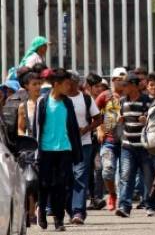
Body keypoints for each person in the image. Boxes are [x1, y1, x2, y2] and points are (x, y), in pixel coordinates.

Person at [35, 68, 83, 231]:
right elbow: (36, 128)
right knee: (44, 184)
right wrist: (35, 152)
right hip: (45, 150)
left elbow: (74, 128)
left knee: (61, 186)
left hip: (64, 150)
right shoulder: (42, 102)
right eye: (66, 84)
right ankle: (41, 210)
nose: (69, 87)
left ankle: (59, 220)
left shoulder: (68, 103)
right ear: (56, 84)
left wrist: (76, 151)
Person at [116, 73, 155, 217]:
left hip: (145, 146)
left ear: (133, 85)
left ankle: (150, 204)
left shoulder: (149, 101)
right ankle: (124, 207)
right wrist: (118, 120)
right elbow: (114, 120)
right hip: (127, 146)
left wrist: (147, 120)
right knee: (126, 176)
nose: (123, 88)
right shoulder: (122, 102)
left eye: (125, 85)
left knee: (148, 177)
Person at [67, 72, 102, 224]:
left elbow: (99, 118)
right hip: (63, 145)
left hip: (84, 144)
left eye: (69, 82)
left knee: (80, 176)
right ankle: (69, 208)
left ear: (76, 83)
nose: (66, 85)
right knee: (67, 177)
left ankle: (78, 212)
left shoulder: (86, 99)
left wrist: (86, 129)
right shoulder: (59, 99)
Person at [96, 67, 127, 211]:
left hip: (127, 140)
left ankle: (123, 202)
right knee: (107, 170)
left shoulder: (131, 95)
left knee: (125, 173)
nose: (122, 83)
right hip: (109, 139)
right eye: (119, 80)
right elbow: (94, 115)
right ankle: (112, 194)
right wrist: (99, 129)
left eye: (124, 80)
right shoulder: (105, 96)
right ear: (113, 80)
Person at [17, 72, 43, 226]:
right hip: (30, 149)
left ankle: (41, 209)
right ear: (26, 86)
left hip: (46, 147)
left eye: (39, 84)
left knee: (43, 181)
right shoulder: (23, 106)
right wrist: (26, 141)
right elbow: (20, 128)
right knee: (30, 182)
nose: (38, 87)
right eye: (34, 84)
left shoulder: (46, 103)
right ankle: (31, 212)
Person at [86, 73, 108, 211]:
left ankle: (96, 198)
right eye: (97, 86)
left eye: (101, 86)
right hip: (86, 138)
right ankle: (92, 198)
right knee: (88, 170)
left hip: (99, 139)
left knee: (98, 168)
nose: (99, 89)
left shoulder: (104, 99)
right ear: (89, 86)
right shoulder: (85, 99)